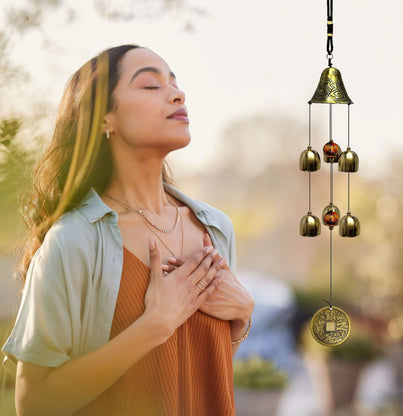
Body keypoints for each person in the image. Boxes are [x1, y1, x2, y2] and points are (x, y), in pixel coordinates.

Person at [2, 44, 254, 415]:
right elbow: (33, 404)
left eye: (174, 83)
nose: (177, 93)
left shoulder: (216, 228)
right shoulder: (73, 241)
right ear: (106, 120)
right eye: (151, 86)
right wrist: (154, 324)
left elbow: (202, 368)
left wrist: (243, 316)